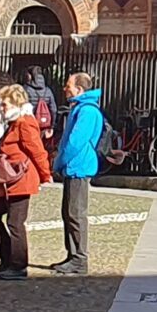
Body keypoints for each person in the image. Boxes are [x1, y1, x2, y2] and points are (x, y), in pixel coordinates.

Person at [0, 81, 52, 280]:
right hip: (7, 180)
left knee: (15, 223)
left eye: (5, 104)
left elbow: (37, 150)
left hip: (20, 179)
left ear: (16, 104)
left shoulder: (25, 122)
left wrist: (45, 174)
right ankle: (6, 260)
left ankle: (19, 266)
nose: (1, 108)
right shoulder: (11, 123)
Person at [51, 72, 106, 276]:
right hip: (73, 167)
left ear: (79, 89)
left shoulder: (87, 111)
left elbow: (75, 141)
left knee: (76, 214)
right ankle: (72, 254)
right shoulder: (80, 109)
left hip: (79, 167)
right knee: (69, 213)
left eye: (69, 85)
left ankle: (79, 258)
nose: (65, 88)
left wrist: (59, 162)